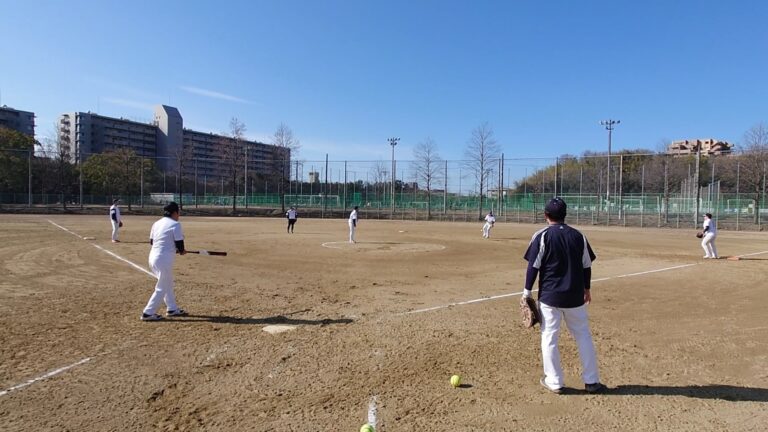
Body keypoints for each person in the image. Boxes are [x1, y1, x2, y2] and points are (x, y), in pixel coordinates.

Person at [522, 197, 605, 394]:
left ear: (545, 215)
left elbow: (533, 266)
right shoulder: (578, 236)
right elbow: (587, 265)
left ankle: (555, 382)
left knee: (549, 337)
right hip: (575, 296)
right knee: (583, 335)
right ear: (565, 215)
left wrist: (526, 291)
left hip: (550, 297)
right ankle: (592, 381)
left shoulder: (541, 236)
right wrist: (587, 288)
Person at [141, 202, 188, 321]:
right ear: (175, 212)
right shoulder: (175, 224)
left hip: (153, 257)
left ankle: (172, 308)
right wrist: (181, 250)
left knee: (167, 282)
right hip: (163, 259)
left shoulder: (156, 223)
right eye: (178, 212)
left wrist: (174, 248)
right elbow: (179, 244)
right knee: (162, 286)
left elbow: (152, 242)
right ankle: (148, 312)